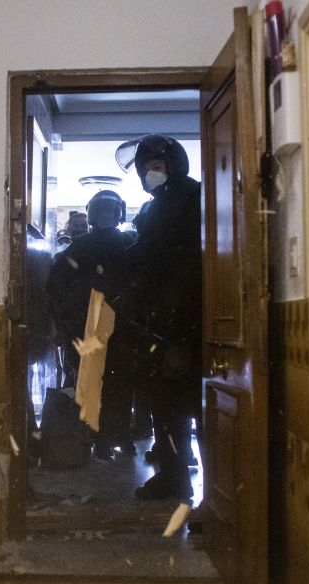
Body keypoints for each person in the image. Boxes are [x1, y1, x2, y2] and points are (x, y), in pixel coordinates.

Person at [115, 134, 202, 500]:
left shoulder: (193, 196)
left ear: (172, 165)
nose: (150, 174)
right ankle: (173, 476)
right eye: (145, 168)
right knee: (165, 404)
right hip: (159, 319)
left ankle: (206, 489)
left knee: (191, 403)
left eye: (156, 166)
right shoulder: (155, 204)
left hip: (186, 316)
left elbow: (170, 255)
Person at [46, 190, 136, 460]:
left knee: (94, 384)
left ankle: (100, 437)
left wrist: (66, 324)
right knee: (119, 385)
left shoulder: (80, 246)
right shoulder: (128, 243)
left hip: (92, 326)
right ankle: (118, 435)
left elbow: (56, 286)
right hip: (117, 326)